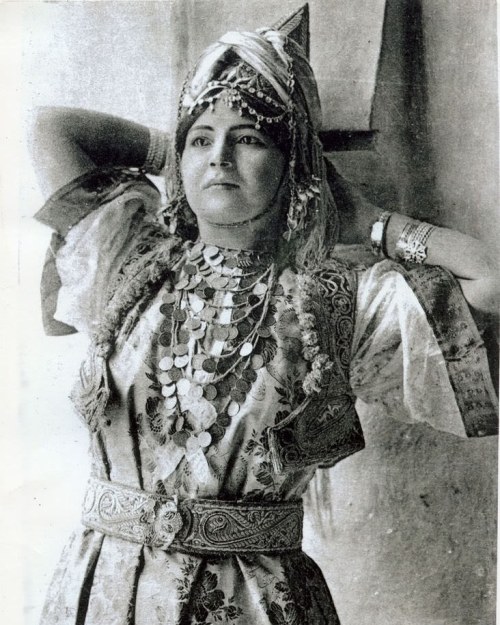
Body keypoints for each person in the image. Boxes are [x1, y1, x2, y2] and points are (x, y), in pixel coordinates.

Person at [31, 7, 497, 625]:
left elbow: (490, 278)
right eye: (203, 139)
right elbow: (48, 128)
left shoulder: (332, 304)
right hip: (105, 595)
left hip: (256, 603)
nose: (219, 157)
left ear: (292, 165)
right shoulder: (130, 261)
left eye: (249, 138)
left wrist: (372, 222)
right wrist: (179, 148)